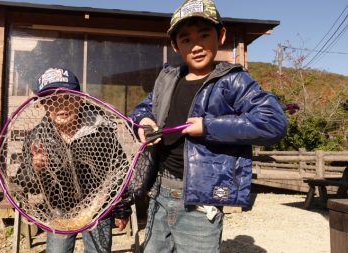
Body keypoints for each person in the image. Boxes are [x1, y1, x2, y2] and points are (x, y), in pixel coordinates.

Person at [129, 0, 288, 252]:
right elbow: (143, 108)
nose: (197, 46)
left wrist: (208, 126)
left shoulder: (234, 80)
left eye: (205, 35)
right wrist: (144, 120)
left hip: (202, 201)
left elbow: (273, 123)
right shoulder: (167, 77)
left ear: (221, 35)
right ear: (175, 45)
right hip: (160, 191)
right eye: (186, 39)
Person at [15, 67, 133, 253]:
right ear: (44, 105)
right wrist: (35, 167)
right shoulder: (37, 137)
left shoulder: (100, 131)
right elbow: (26, 183)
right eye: (52, 100)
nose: (61, 106)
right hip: (59, 211)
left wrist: (122, 210)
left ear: (79, 98)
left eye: (67, 97)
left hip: (98, 209)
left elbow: (119, 172)